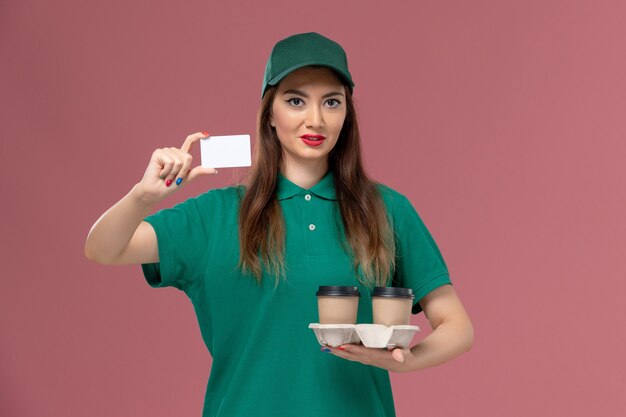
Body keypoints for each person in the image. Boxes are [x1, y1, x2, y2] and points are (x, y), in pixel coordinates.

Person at [85, 32, 473, 417]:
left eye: (332, 102)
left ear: (346, 115)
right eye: (295, 100)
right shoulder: (217, 214)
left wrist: (405, 361)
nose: (315, 119)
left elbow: (456, 326)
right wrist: (142, 196)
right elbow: (103, 248)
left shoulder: (387, 210)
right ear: (269, 113)